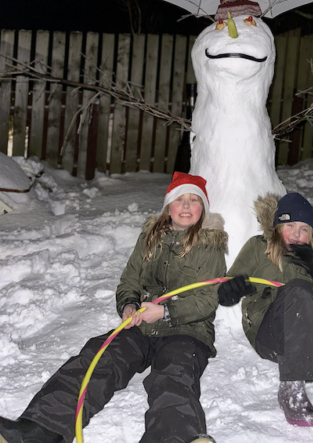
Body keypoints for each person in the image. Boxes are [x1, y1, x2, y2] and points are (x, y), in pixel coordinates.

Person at [0, 172, 227, 443]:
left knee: (173, 375)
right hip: (143, 326)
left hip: (187, 331)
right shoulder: (150, 238)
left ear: (203, 209)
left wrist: (166, 311)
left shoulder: (210, 246)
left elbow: (207, 300)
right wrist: (129, 305)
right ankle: (39, 429)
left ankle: (176, 437)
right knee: (98, 358)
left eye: (194, 200)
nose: (187, 206)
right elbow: (129, 280)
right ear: (168, 207)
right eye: (180, 200)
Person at [218, 192, 313, 427]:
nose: (297, 235)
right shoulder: (258, 247)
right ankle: (292, 386)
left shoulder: (306, 255)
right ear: (278, 226)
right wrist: (231, 289)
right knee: (299, 290)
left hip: (305, 327)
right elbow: (225, 289)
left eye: (304, 229)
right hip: (268, 333)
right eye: (290, 225)